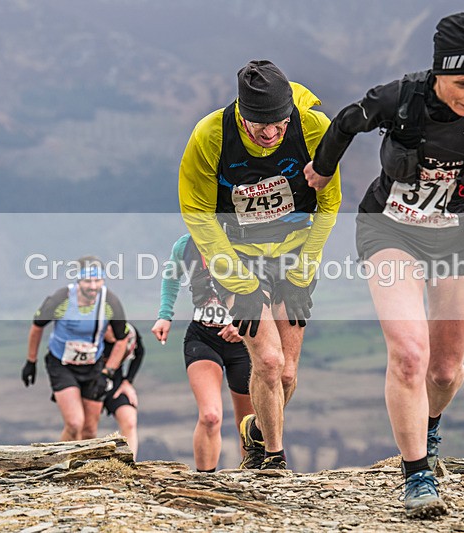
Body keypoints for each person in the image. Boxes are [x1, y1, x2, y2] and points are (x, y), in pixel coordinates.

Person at [304, 13, 464, 517]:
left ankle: (429, 426)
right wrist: (322, 171)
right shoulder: (401, 98)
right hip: (391, 229)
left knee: (445, 369)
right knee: (410, 355)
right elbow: (347, 121)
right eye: (463, 83)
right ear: (438, 73)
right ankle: (416, 477)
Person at [179, 60, 342, 470]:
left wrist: (304, 271)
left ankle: (255, 428)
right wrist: (242, 285)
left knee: (286, 375)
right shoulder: (211, 136)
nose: (270, 134)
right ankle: (272, 458)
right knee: (267, 361)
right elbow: (198, 213)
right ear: (241, 113)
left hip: (295, 253)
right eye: (259, 126)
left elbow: (329, 203)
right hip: (238, 254)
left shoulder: (314, 129)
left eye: (279, 125)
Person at [151, 233, 254, 472]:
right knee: (210, 416)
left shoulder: (246, 237)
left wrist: (245, 318)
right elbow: (171, 276)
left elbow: (266, 283)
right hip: (203, 336)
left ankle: (252, 479)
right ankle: (204, 482)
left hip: (244, 340)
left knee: (248, 423)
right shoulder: (186, 244)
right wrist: (164, 315)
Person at [22, 255, 129, 442]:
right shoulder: (61, 298)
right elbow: (37, 326)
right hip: (62, 364)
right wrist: (31, 361)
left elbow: (122, 339)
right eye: (88, 281)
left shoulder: (110, 302)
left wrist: (108, 372)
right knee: (74, 424)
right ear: (78, 280)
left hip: (93, 367)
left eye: (98, 280)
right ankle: (58, 466)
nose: (93, 286)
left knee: (89, 431)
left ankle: (82, 469)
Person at [102, 323, 144, 459]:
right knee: (84, 426)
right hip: (89, 381)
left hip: (115, 382)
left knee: (130, 420)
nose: (110, 329)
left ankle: (129, 464)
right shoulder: (90, 334)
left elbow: (140, 351)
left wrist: (128, 381)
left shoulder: (129, 333)